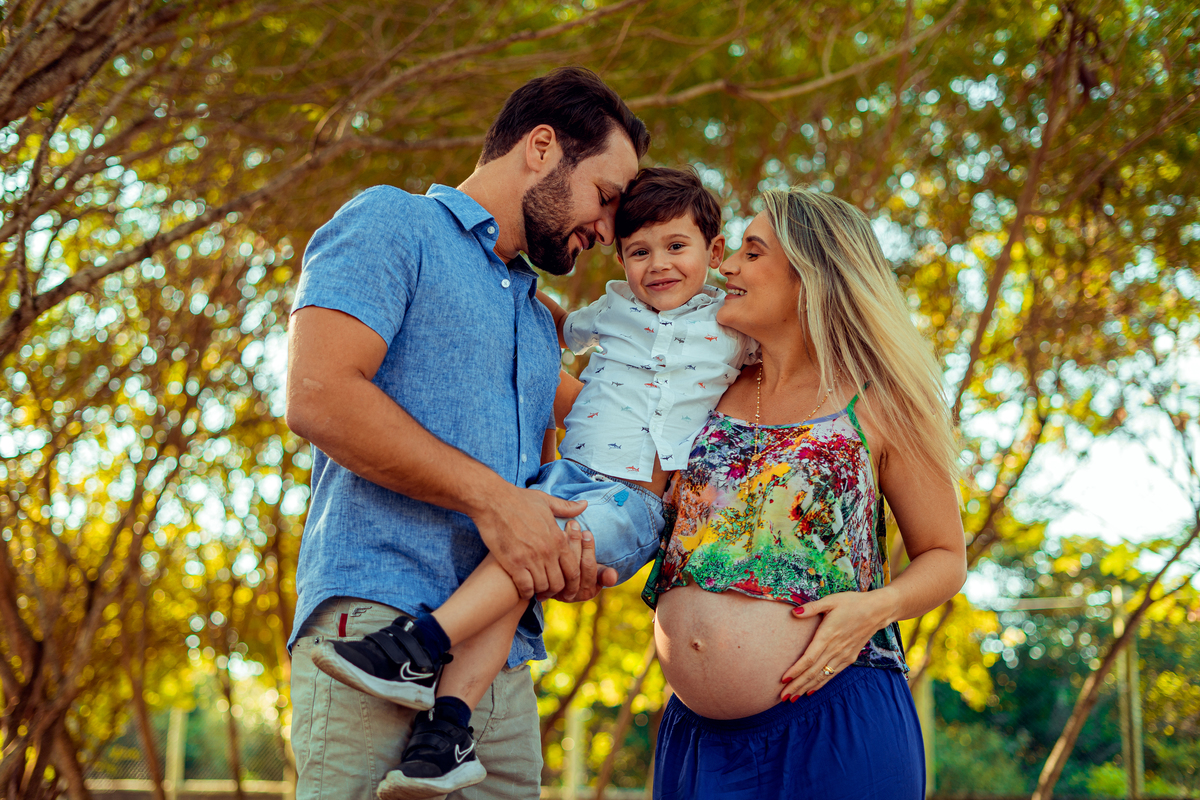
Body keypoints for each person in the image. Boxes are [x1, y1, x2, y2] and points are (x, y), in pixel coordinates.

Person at [311, 167, 757, 798]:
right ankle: (449, 729)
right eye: (638, 250)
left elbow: (778, 377)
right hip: (570, 475)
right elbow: (540, 319)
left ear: (712, 252)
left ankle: (421, 641)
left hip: (634, 501)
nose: (658, 264)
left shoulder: (735, 330)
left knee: (531, 551)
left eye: (676, 247)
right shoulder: (613, 311)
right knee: (515, 565)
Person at [284, 67, 648, 800]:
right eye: (605, 198)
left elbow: (577, 466)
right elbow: (319, 396)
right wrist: (496, 503)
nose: (607, 230)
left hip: (497, 675)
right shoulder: (393, 223)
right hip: (377, 631)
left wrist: (564, 552)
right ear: (542, 148)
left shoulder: (536, 318)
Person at [642, 187, 967, 799]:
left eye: (751, 251)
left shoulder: (883, 401)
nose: (725, 266)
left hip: (837, 723)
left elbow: (946, 556)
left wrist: (877, 606)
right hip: (694, 736)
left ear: (810, 278)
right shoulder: (704, 387)